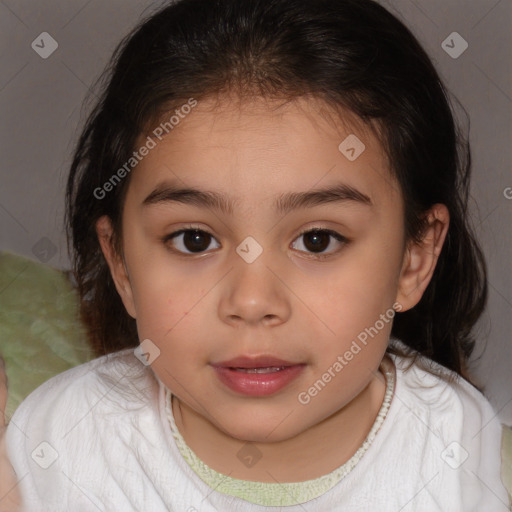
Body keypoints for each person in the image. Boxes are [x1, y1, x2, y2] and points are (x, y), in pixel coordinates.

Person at [2, 0, 510, 510]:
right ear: (121, 264)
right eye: (194, 240)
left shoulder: (468, 461)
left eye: (318, 240)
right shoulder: (61, 443)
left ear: (413, 259)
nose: (252, 301)